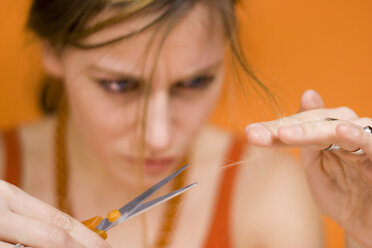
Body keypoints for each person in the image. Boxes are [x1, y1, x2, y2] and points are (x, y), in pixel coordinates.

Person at [0, 0, 371, 247]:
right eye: (119, 85)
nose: (158, 137)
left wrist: (362, 233)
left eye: (194, 83)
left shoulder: (269, 194)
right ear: (51, 51)